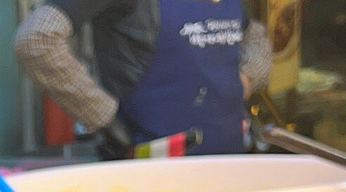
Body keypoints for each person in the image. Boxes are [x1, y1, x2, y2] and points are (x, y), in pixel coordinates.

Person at [15, 0, 272, 158]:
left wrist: (244, 80)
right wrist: (103, 117)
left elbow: (255, 37)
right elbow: (38, 39)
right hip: (150, 182)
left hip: (232, 169)